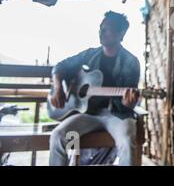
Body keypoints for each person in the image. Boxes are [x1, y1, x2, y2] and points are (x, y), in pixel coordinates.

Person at [49, 11, 140, 166]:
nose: (102, 31)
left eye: (107, 28)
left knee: (126, 140)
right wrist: (58, 89)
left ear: (120, 33)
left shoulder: (131, 62)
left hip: (116, 115)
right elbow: (60, 67)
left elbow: (127, 103)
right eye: (101, 28)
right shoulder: (90, 54)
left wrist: (128, 103)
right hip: (87, 114)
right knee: (58, 135)